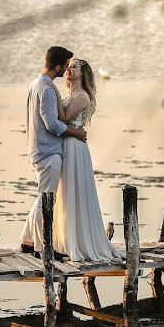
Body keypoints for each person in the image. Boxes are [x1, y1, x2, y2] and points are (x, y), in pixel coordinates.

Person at [21, 46, 88, 257]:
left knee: (42, 196)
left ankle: (28, 241)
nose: (67, 69)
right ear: (58, 67)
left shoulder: (35, 84)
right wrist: (75, 133)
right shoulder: (47, 89)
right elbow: (52, 124)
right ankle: (43, 249)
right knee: (47, 199)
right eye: (66, 66)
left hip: (37, 148)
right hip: (48, 150)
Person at [52, 58, 122, 262]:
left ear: (83, 73)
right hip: (66, 143)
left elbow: (64, 117)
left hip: (75, 148)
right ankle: (64, 239)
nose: (69, 69)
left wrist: (53, 94)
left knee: (75, 190)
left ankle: (79, 241)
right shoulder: (71, 94)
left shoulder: (82, 96)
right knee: (65, 192)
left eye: (74, 67)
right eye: (69, 66)